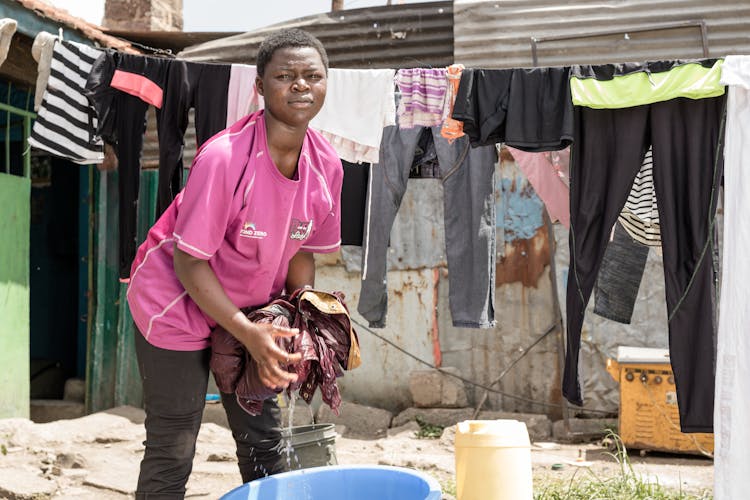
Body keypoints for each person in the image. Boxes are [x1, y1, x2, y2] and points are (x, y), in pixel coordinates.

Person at [125, 28, 342, 498]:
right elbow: (189, 264)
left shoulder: (328, 167)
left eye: (312, 76)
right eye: (285, 76)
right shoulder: (224, 158)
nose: (300, 86)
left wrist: (293, 326)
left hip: (252, 311)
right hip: (176, 301)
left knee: (264, 441)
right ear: (260, 87)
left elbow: (302, 251)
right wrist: (250, 334)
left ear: (327, 83)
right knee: (175, 442)